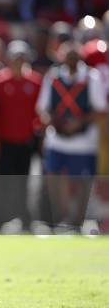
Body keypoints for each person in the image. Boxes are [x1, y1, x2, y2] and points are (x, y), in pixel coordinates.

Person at [36, 42, 107, 229]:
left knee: (83, 183)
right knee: (54, 178)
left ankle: (77, 221)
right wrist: (54, 121)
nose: (71, 61)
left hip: (84, 142)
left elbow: (101, 110)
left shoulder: (92, 77)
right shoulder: (52, 77)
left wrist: (80, 121)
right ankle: (60, 218)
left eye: (75, 57)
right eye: (68, 57)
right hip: (57, 140)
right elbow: (42, 108)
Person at [0, 40, 42, 229]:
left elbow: (39, 112)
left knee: (23, 182)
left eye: (21, 59)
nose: (18, 63)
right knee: (2, 183)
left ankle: (25, 219)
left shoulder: (35, 82)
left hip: (25, 141)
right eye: (15, 59)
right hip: (3, 140)